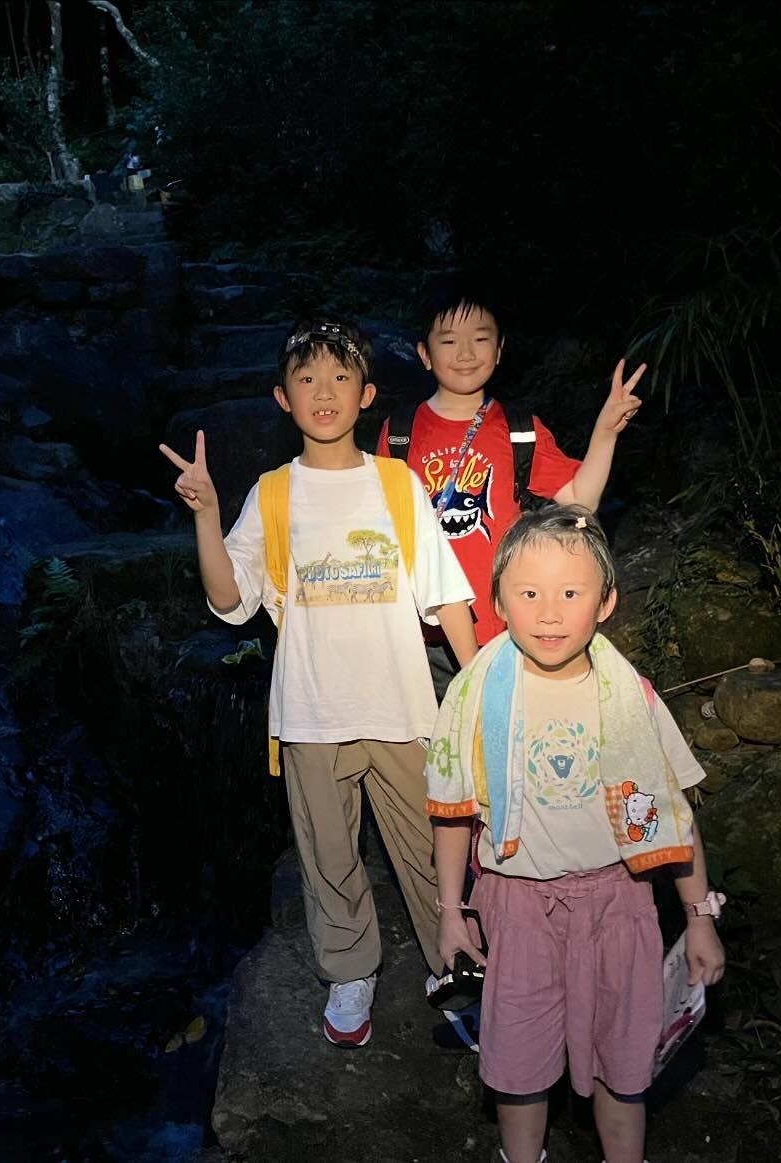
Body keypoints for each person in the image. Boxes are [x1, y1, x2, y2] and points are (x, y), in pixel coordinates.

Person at [159, 317, 479, 1048]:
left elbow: (447, 596)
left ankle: (456, 964)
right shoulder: (273, 494)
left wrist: (480, 688)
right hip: (310, 712)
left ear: (366, 393)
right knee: (329, 855)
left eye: (340, 377)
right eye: (306, 379)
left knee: (431, 851)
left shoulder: (396, 484)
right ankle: (350, 970)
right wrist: (207, 515)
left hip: (403, 708)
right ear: (283, 398)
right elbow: (229, 599)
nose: (324, 392)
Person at [426, 506, 726, 1163]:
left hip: (619, 903)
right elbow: (452, 812)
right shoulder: (475, 696)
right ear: (497, 603)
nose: (550, 613)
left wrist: (699, 917)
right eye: (529, 593)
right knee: (519, 1061)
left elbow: (672, 815)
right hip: (518, 905)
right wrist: (451, 911)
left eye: (570, 593)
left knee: (624, 1056)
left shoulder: (629, 698)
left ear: (606, 602)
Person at [377, 275, 644, 698]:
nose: (466, 353)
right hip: (419, 635)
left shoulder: (519, 429)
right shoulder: (400, 433)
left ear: (500, 349)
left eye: (480, 339)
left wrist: (605, 432)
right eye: (449, 341)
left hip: (502, 627)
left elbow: (581, 502)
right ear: (425, 354)